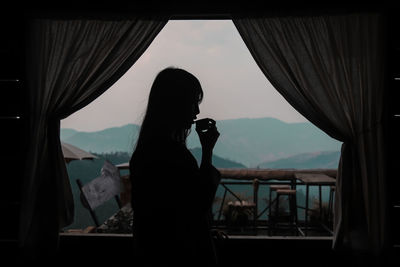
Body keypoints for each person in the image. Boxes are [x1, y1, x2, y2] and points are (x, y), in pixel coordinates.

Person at [129, 67, 221, 266]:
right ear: (176, 103)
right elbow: (198, 204)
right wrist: (207, 153)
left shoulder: (148, 150)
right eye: (193, 103)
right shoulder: (171, 155)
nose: (197, 111)